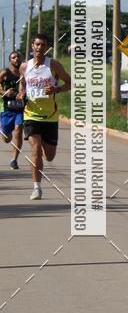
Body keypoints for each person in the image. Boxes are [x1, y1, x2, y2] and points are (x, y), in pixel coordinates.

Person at [17, 33, 71, 200]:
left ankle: (45, 158)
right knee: (35, 150)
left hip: (50, 116)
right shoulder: (25, 67)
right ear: (32, 46)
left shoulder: (53, 65)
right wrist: (21, 94)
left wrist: (56, 89)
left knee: (49, 155)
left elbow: (69, 83)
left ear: (47, 47)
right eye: (37, 44)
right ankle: (36, 188)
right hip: (30, 114)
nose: (40, 48)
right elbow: (22, 85)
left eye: (43, 45)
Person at [0, 51, 24, 169]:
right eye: (14, 57)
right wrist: (5, 92)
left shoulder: (25, 72)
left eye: (18, 57)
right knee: (7, 139)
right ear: (10, 60)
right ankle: (3, 129)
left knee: (18, 130)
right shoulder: (5, 72)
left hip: (20, 108)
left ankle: (14, 159)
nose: (16, 59)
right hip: (7, 109)